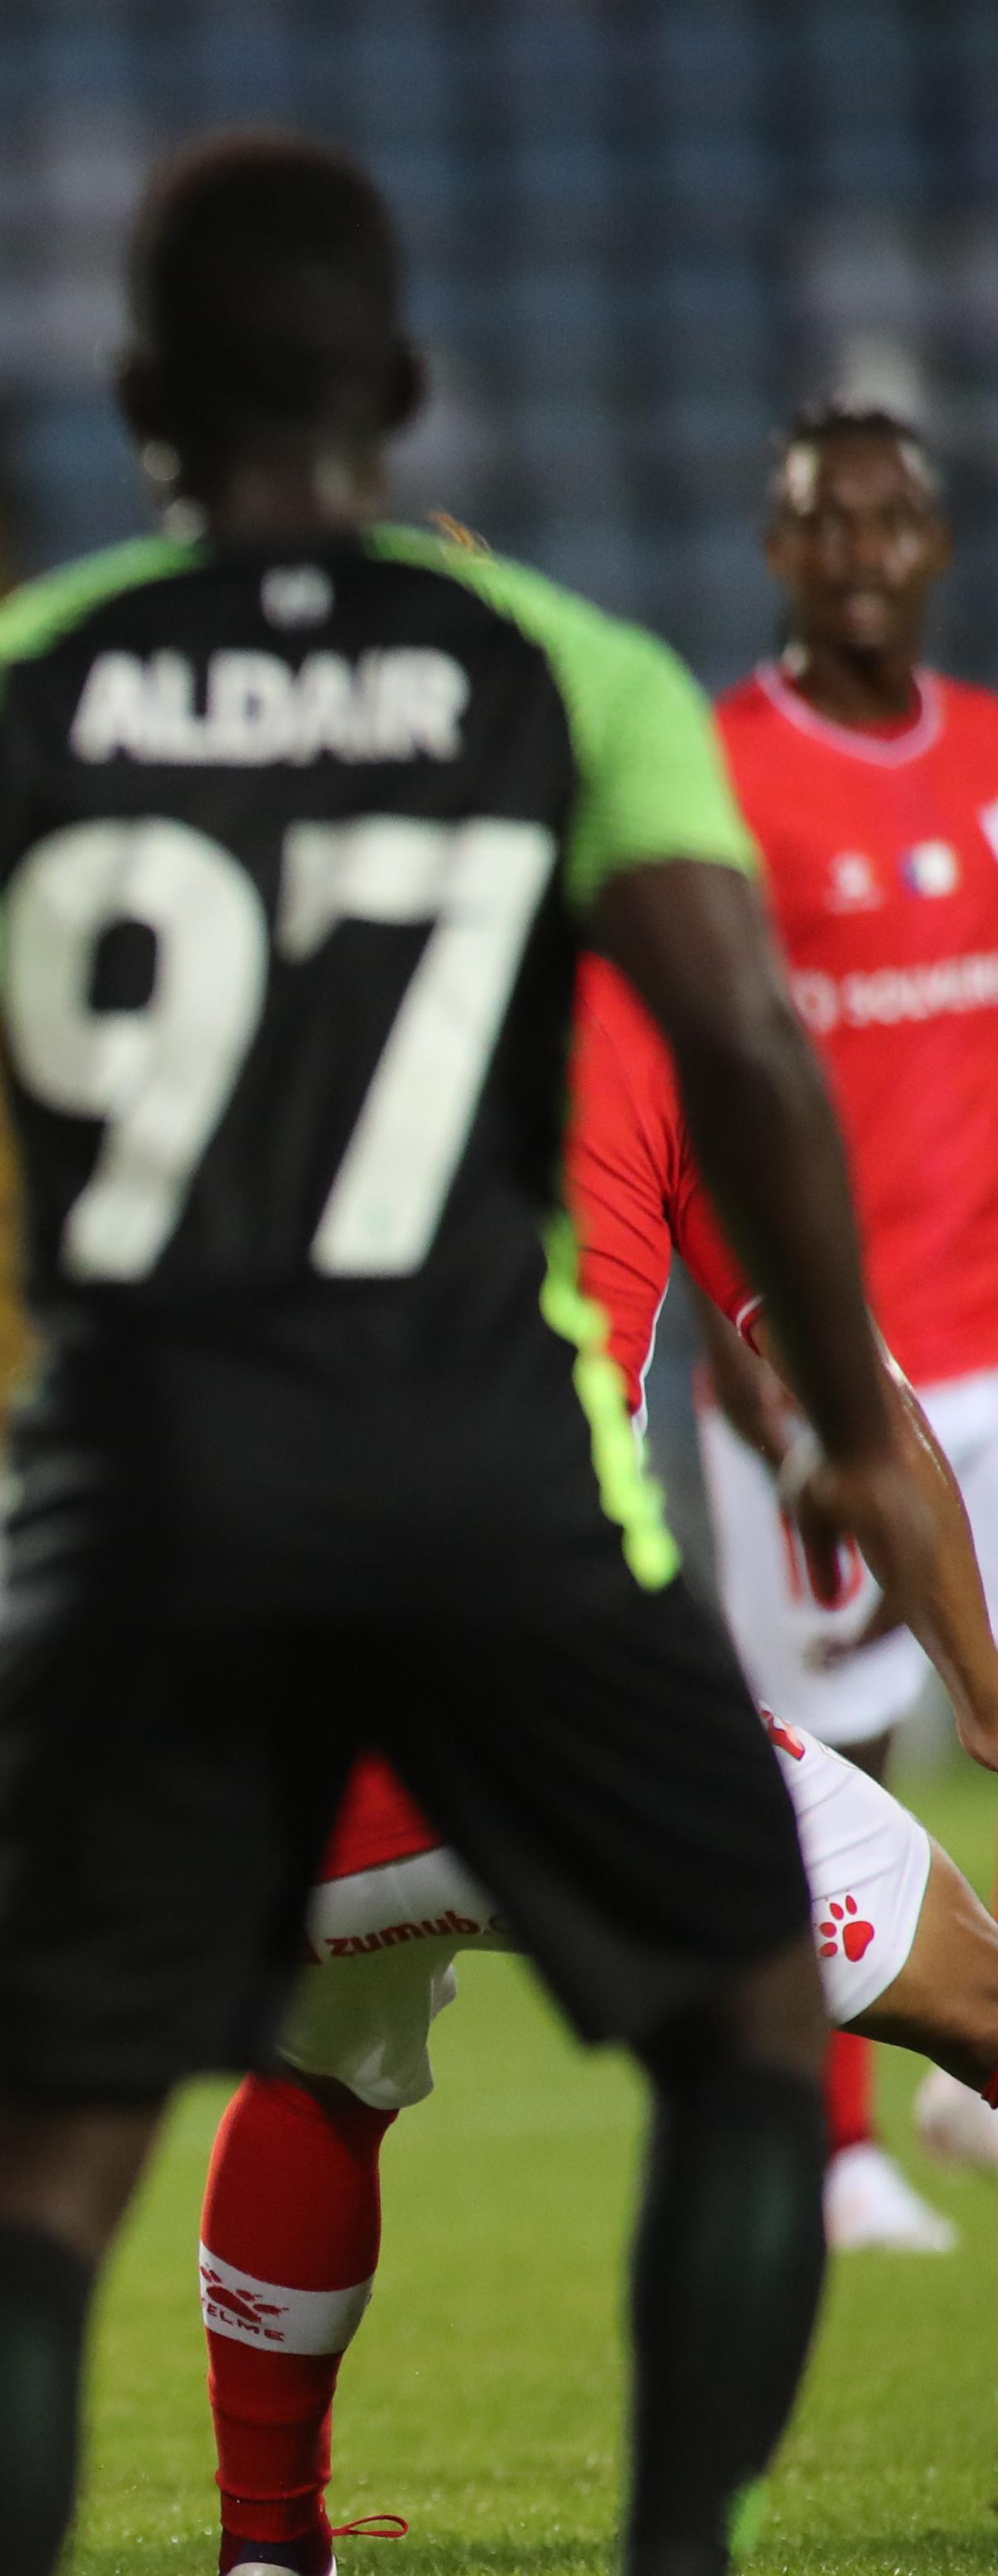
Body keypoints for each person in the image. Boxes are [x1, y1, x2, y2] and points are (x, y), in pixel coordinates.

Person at [0, 137, 934, 2576]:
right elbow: (745, 1034)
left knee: (23, 2184)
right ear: (398, 404)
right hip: (505, 1496)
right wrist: (863, 1422)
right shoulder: (574, 674)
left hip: (151, 1510)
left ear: (134, 409)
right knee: (762, 2055)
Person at [198, 965, 998, 2576]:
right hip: (563, 1716)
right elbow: (860, 1419)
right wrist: (988, 1695)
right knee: (980, 1998)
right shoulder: (661, 1021)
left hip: (293, 1745)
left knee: (313, 2077)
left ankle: (269, 2559)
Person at [675, 404, 998, 2236]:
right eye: (828, 519)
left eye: (895, 515)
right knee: (834, 1749)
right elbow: (697, 1107)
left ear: (938, 542)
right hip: (823, 1360)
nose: (866, 545)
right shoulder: (719, 777)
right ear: (780, 549)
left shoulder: (991, 757)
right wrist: (764, 1394)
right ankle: (835, 2155)